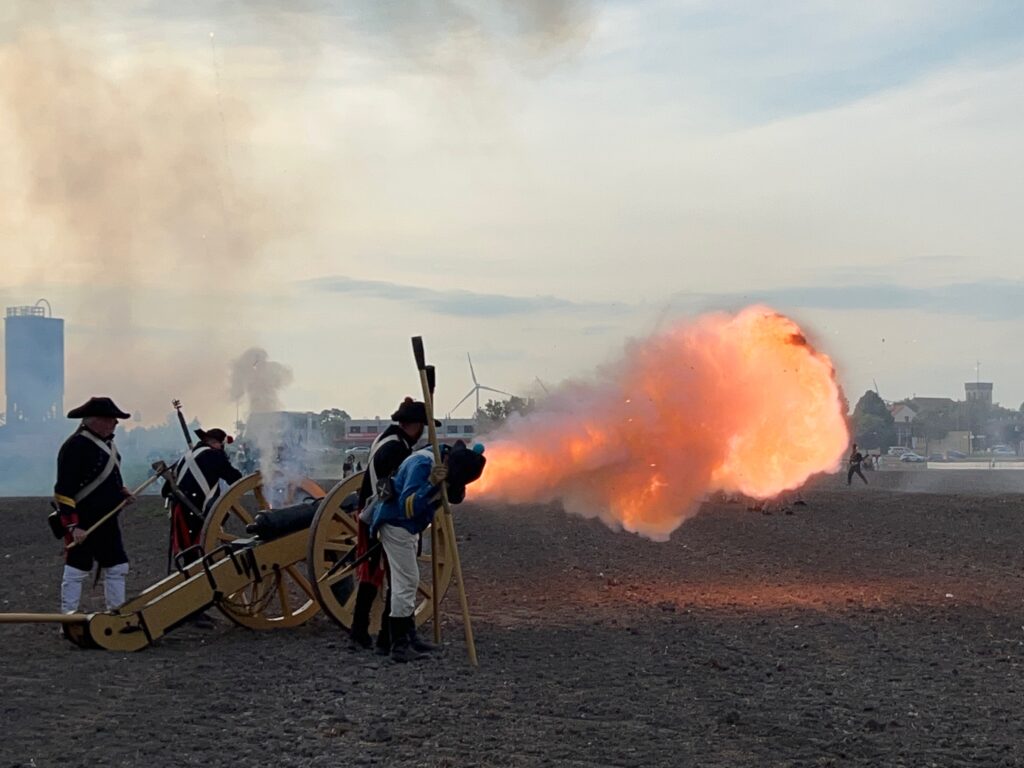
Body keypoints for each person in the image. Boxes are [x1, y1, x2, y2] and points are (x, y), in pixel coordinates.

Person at [370, 440, 486, 662]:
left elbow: (453, 496)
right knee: (405, 584)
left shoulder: (443, 459)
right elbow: (408, 506)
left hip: (408, 527)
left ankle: (408, 638)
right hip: (396, 523)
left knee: (408, 582)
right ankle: (400, 646)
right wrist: (431, 483)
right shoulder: (422, 464)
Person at [349, 398, 438, 653]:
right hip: (385, 515)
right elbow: (397, 489)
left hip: (372, 511)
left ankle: (360, 632)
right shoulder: (396, 449)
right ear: (417, 426)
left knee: (374, 573)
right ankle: (389, 638)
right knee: (397, 577)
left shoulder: (388, 439)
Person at [53, 397, 136, 614]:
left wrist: (121, 492)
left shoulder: (109, 444)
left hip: (107, 518)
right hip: (84, 520)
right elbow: (64, 491)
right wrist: (73, 526)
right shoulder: (75, 446)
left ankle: (115, 614)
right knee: (76, 569)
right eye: (111, 420)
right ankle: (68, 618)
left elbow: (107, 478)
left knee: (117, 566)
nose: (115, 424)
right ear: (95, 421)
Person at [163, 427, 243, 562]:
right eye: (221, 445)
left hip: (180, 510)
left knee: (190, 554)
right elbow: (235, 478)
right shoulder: (214, 455)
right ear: (216, 443)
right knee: (197, 550)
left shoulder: (185, 457)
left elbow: (165, 490)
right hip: (198, 509)